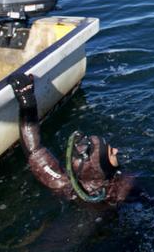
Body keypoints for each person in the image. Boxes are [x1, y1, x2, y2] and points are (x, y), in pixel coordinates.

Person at [9, 73, 135, 204]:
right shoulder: (124, 187)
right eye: (110, 152)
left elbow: (34, 150)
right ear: (101, 168)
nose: (116, 150)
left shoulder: (66, 186)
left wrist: (26, 99)